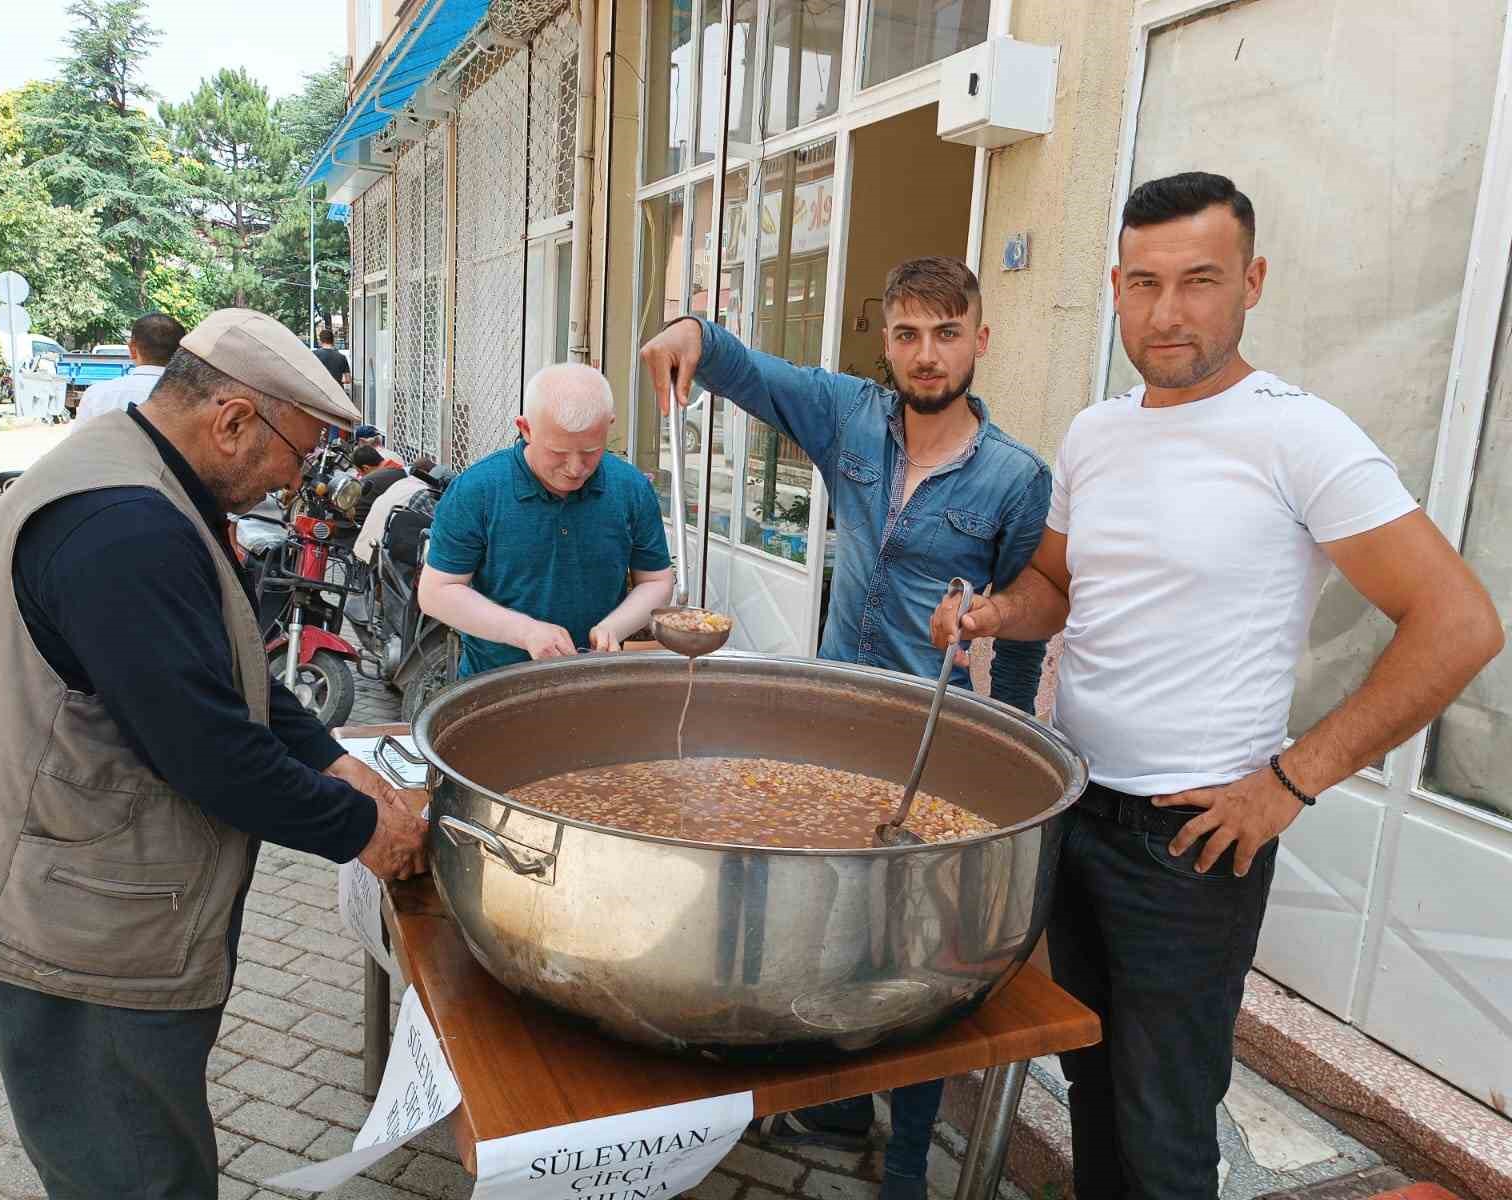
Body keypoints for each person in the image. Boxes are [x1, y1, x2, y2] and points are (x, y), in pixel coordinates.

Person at [931, 172, 1504, 1200]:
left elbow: (1459, 624)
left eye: (1200, 280)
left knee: (1162, 1128)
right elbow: (1057, 585)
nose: (1168, 311)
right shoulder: (1095, 432)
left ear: (1252, 280)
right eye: (1144, 282)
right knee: (1092, 1078)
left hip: (1189, 839)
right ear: (1113, 285)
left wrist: (1288, 782)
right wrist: (993, 614)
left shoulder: (1298, 434)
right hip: (1075, 809)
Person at [0, 307, 431, 1198]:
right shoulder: (127, 527)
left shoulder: (145, 467)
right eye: (293, 454)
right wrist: (362, 829)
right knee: (134, 1173)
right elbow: (210, 749)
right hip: (77, 918)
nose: (291, 481)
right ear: (231, 419)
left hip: (96, 888)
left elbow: (228, 674)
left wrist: (339, 760)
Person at [640, 254, 1051, 1200]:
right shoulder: (849, 417)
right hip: (829, 732)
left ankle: (908, 1158)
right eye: (907, 334)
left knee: (916, 957)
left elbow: (1034, 612)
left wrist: (1006, 725)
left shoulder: (1017, 480)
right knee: (826, 921)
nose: (927, 354)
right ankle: (837, 1103)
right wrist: (690, 339)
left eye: (947, 334)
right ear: (887, 342)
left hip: (929, 743)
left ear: (980, 341)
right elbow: (747, 369)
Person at [418, 362, 674, 674]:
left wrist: (615, 627)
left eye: (591, 451)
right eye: (558, 452)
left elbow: (657, 580)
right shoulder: (478, 491)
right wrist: (525, 631)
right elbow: (436, 592)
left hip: (596, 680)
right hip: (493, 686)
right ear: (525, 428)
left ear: (609, 425)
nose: (575, 468)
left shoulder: (631, 488)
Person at [72, 311, 187, 427]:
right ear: (181, 351)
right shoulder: (194, 400)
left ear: (132, 349)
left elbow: (78, 444)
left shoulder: (96, 395)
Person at [355, 454, 436, 564]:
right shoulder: (423, 491)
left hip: (364, 546)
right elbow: (437, 523)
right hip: (381, 556)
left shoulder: (402, 482)